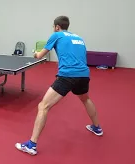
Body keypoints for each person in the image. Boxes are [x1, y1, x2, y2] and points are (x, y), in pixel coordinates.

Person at [15, 16, 103, 155]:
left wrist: (35, 53)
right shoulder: (79, 38)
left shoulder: (56, 35)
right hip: (84, 74)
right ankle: (97, 128)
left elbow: (40, 56)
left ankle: (31, 145)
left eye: (53, 26)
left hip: (67, 75)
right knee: (85, 99)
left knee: (43, 106)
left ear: (57, 27)